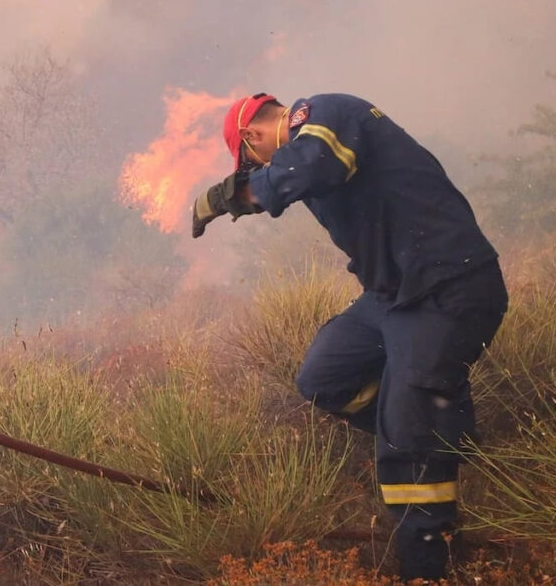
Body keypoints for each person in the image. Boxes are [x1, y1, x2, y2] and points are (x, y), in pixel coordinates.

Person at [192, 93, 508, 581]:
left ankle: (429, 570)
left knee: (406, 443)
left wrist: (227, 196)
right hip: (393, 296)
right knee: (325, 376)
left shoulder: (324, 115)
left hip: (449, 288)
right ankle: (439, 429)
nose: (258, 170)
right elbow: (294, 176)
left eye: (252, 163)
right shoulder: (303, 148)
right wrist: (248, 193)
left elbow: (312, 166)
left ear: (253, 137)